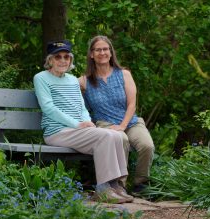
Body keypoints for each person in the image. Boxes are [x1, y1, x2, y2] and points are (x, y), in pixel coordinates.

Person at [33, 39, 133, 203]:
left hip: (77, 131)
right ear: (50, 60)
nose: (63, 60)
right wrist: (77, 124)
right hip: (57, 132)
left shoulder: (73, 80)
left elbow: (81, 107)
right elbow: (48, 108)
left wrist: (87, 122)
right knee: (106, 136)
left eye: (67, 57)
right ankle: (102, 189)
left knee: (115, 135)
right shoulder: (41, 78)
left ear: (70, 60)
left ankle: (115, 186)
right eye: (58, 57)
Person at [79, 35, 155, 195]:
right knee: (122, 140)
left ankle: (141, 185)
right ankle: (119, 186)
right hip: (104, 124)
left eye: (105, 49)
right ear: (91, 54)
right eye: (98, 50)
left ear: (111, 53)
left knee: (147, 145)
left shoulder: (124, 74)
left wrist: (122, 125)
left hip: (131, 121)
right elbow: (71, 96)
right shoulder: (84, 81)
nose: (102, 52)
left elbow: (132, 104)